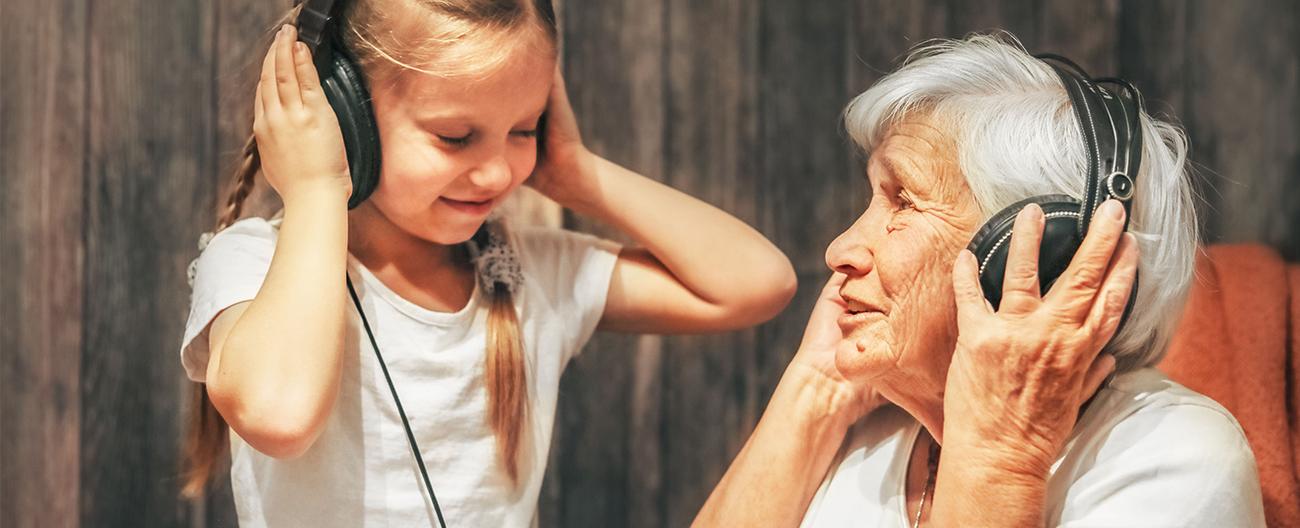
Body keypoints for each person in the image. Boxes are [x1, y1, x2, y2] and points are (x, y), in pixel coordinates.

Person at [178, 1, 796, 526]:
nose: (498, 172)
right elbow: (279, 416)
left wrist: (577, 174)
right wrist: (317, 188)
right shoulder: (253, 266)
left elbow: (756, 284)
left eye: (523, 130)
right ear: (345, 116)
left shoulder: (528, 275)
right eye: (455, 136)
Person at [695, 35, 1265, 527]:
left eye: (903, 202)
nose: (838, 249)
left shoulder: (1173, 460)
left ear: (1041, 260)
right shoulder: (871, 435)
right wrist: (816, 389)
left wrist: (1000, 463)